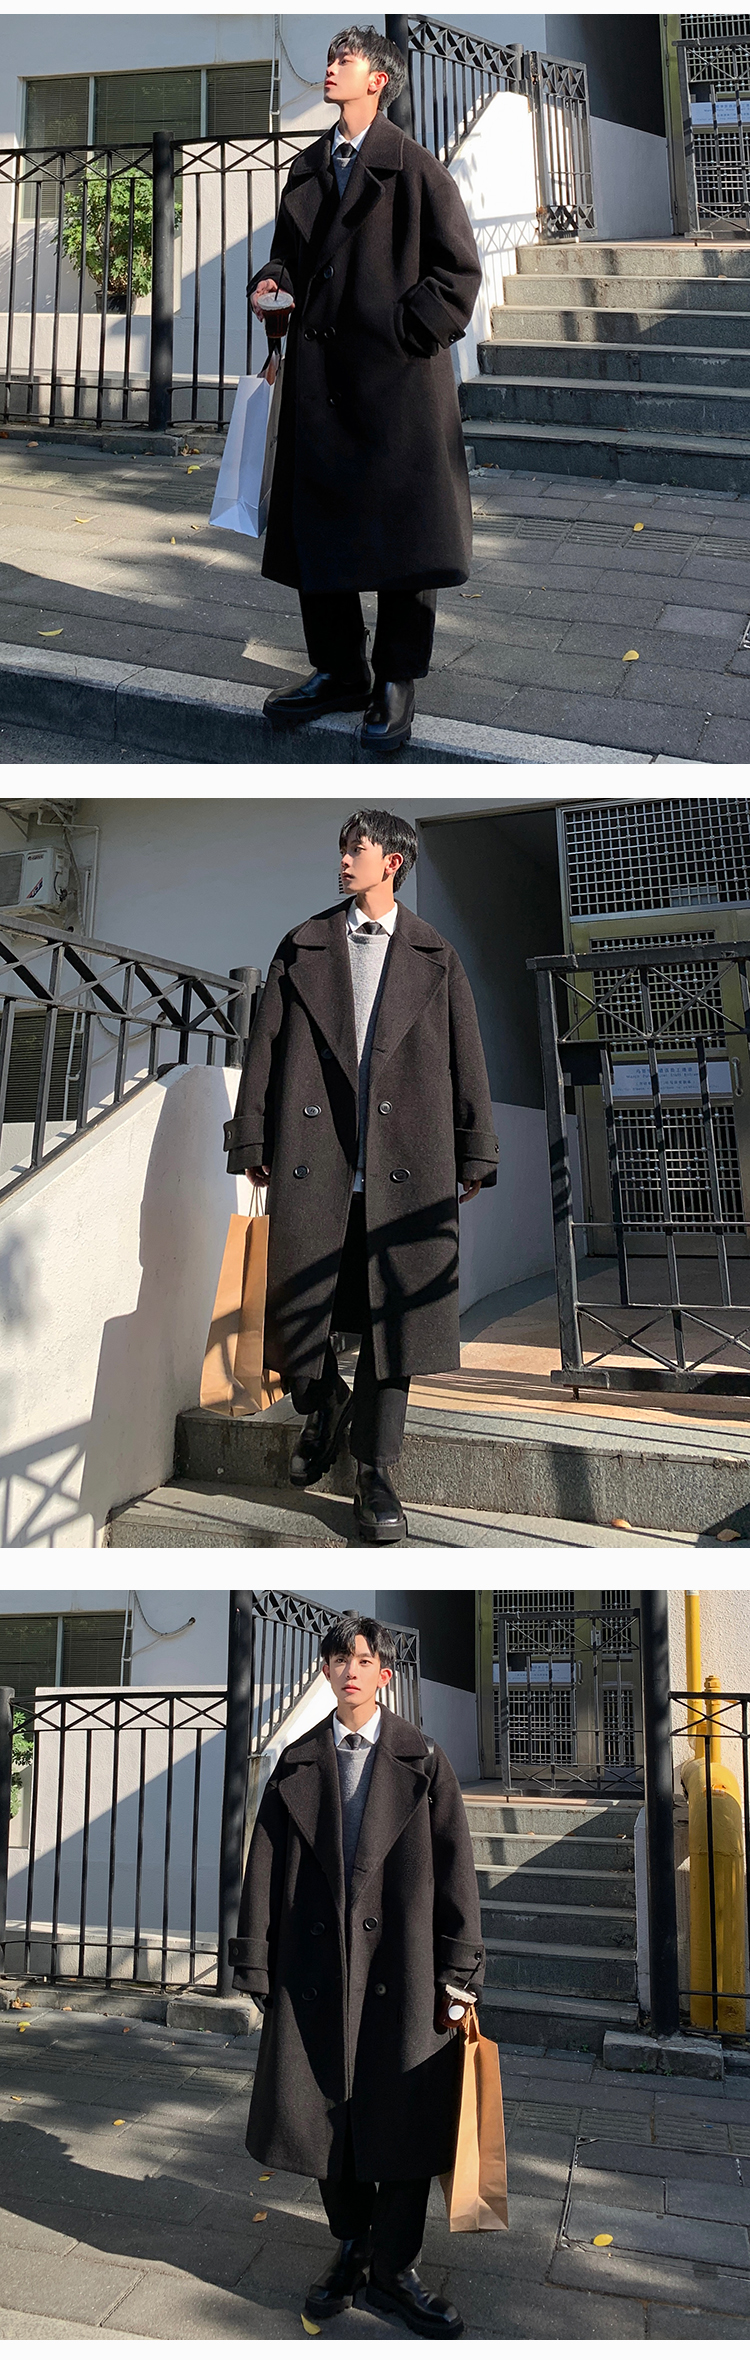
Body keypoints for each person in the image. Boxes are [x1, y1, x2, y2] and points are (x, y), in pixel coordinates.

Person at [223, 807, 498, 1544]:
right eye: (343, 848)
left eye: (357, 848)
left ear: (392, 862)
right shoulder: (303, 944)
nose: (344, 860)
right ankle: (322, 1401)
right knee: (299, 1308)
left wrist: (474, 1148)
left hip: (409, 1160)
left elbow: (465, 1053)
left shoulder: (435, 953)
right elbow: (266, 1044)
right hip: (318, 1157)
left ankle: (375, 1475)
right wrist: (253, 1132)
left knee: (392, 1326)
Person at [229, 1611, 485, 2338]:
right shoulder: (296, 1762)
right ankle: (352, 2245)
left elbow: (457, 1870)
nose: (350, 1671)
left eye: (364, 1659)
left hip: (404, 1969)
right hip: (315, 1972)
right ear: (325, 1671)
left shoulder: (423, 1760)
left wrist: (460, 1966)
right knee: (318, 2115)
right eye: (339, 1659)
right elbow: (262, 1866)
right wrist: (257, 1960)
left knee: (407, 2117)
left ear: (384, 1674)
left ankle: (395, 2271)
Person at [248, 25, 482, 754]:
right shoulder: (308, 166)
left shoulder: (415, 168)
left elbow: (458, 274)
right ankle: (339, 669)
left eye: (342, 61)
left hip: (394, 385)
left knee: (406, 535)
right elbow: (289, 257)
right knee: (319, 526)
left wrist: (403, 334)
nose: (329, 69)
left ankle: (396, 677)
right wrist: (272, 286)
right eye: (330, 59)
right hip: (320, 380)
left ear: (377, 80)